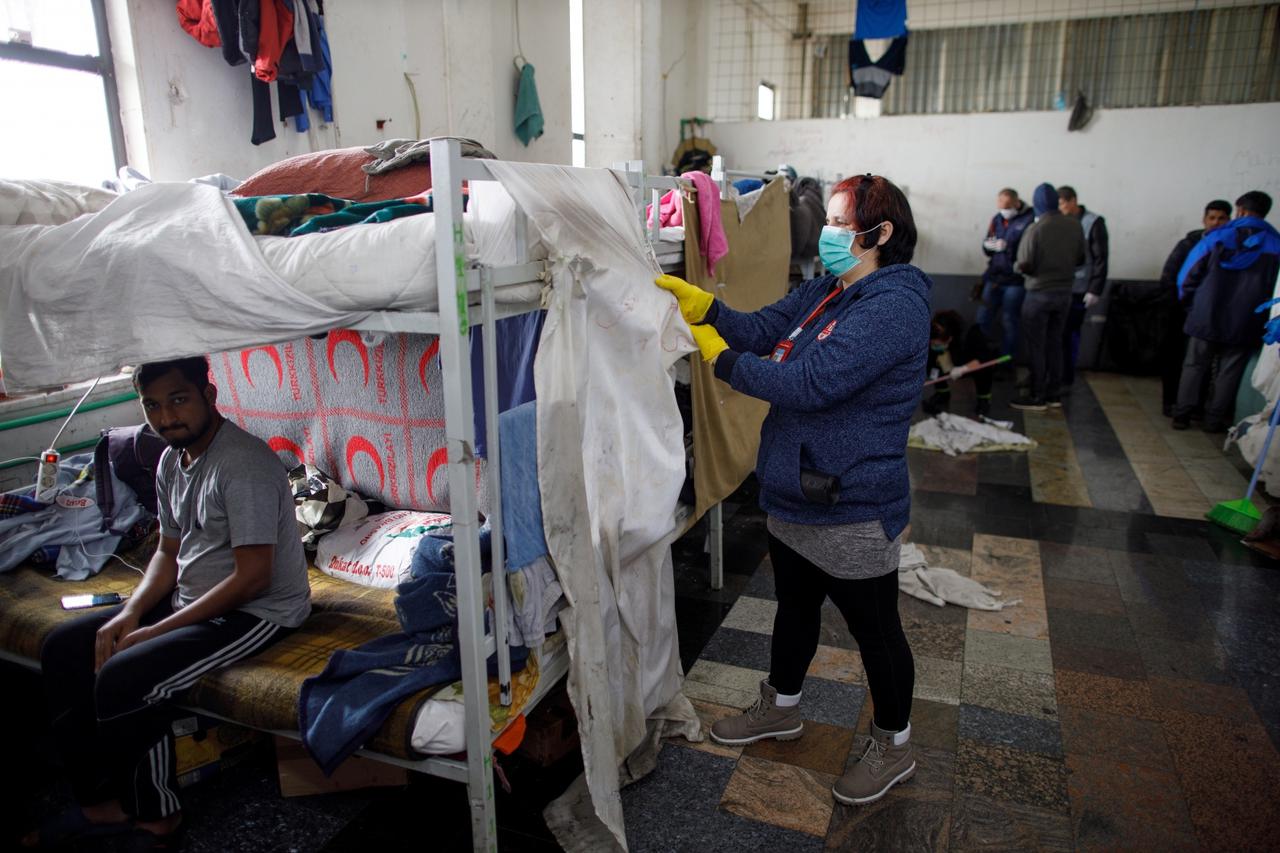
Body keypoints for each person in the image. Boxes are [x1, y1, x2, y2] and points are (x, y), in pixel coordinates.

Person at [656, 173, 928, 806]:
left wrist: (715, 357)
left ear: (878, 234)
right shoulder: (828, 292)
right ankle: (781, 706)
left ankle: (895, 745)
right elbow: (760, 328)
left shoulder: (893, 308)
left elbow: (808, 383)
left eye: (837, 223)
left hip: (853, 504)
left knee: (876, 631)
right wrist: (708, 309)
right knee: (795, 607)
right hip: (796, 492)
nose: (828, 233)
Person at [26, 357, 311, 850]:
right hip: (193, 595)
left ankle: (158, 817)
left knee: (127, 675)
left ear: (209, 395)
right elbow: (166, 551)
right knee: (65, 647)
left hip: (258, 610)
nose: (166, 417)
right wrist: (130, 614)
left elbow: (253, 578)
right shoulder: (168, 460)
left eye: (178, 400)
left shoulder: (242, 465)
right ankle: (99, 804)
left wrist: (156, 632)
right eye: (152, 405)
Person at [1172, 190, 1280, 432]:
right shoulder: (1275, 244)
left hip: (1205, 314)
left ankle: (1182, 415)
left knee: (1194, 366)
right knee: (1229, 371)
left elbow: (1187, 275)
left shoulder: (1217, 237)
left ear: (1240, 209)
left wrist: (1190, 304)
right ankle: (1213, 420)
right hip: (1246, 320)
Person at [1011, 183, 1086, 411]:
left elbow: (1025, 264)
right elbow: (1081, 259)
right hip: (1064, 294)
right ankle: (1054, 393)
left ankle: (1037, 395)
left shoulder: (1036, 229)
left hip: (1038, 294)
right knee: (1055, 344)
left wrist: (1017, 266)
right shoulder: (1074, 226)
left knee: (1036, 346)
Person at [1158, 200, 1232, 416]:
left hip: (1210, 315)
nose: (1216, 223)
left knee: (1203, 364)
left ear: (1229, 220)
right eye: (1212, 218)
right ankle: (1172, 403)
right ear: (1204, 219)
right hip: (1181, 312)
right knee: (1176, 360)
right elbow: (1170, 277)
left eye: (1221, 218)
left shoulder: (1231, 247)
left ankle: (1195, 406)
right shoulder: (1189, 244)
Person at [1057, 186, 1109, 386]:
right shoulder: (1059, 222)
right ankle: (1053, 373)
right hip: (1059, 286)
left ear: (1073, 201)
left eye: (1062, 203)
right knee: (1056, 334)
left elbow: (1101, 258)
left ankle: (1066, 375)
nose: (1060, 208)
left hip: (1080, 288)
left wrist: (1095, 289)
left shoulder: (1093, 222)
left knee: (1070, 334)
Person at [974, 188, 1034, 360]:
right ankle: (979, 358)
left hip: (1015, 281)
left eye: (1007, 206)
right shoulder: (997, 219)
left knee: (1009, 322)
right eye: (1001, 206)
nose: (1004, 211)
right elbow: (987, 246)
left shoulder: (1029, 220)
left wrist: (1010, 248)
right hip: (993, 278)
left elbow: (1030, 252)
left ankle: (1005, 362)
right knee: (982, 318)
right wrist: (989, 246)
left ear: (1016, 202)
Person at [923, 309, 998, 417]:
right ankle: (942, 393)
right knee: (932, 358)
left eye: (938, 344)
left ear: (950, 338)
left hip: (969, 360)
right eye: (933, 344)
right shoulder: (932, 332)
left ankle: (984, 399)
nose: (935, 346)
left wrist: (963, 368)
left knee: (984, 370)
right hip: (949, 356)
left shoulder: (972, 334)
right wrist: (935, 373)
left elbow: (983, 359)